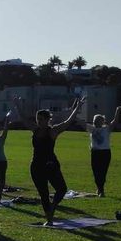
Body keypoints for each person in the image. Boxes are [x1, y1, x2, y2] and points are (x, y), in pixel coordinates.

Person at [16, 96, 85, 226]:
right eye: (38, 119)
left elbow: (68, 121)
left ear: (48, 119)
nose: (39, 121)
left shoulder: (53, 131)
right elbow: (23, 118)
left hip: (50, 165)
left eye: (41, 119)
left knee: (62, 189)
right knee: (44, 194)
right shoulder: (35, 130)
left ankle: (52, 207)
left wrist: (77, 108)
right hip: (36, 166)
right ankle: (49, 219)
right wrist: (17, 105)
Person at [86, 105, 121, 197]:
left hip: (105, 153)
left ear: (102, 121)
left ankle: (101, 190)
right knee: (96, 172)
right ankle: (100, 188)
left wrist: (117, 110)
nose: (95, 122)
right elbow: (80, 122)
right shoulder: (92, 129)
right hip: (95, 153)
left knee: (103, 172)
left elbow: (115, 122)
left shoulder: (106, 129)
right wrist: (74, 110)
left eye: (98, 120)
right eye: (94, 120)